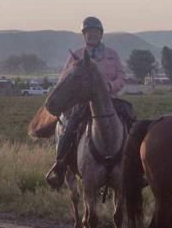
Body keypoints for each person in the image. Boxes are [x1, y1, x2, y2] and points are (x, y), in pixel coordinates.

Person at [45, 16, 132, 189]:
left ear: (101, 34)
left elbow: (122, 77)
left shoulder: (112, 55)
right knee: (69, 128)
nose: (92, 35)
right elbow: (65, 79)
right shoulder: (76, 55)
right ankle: (60, 165)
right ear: (84, 35)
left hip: (110, 100)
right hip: (83, 102)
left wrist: (110, 85)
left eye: (95, 32)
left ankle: (136, 168)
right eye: (88, 32)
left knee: (132, 121)